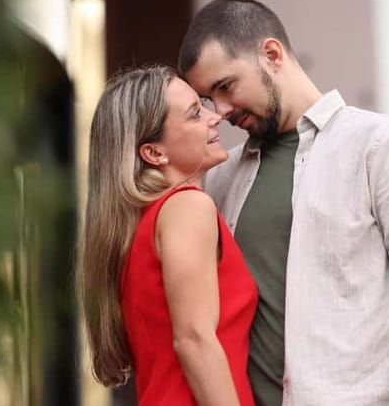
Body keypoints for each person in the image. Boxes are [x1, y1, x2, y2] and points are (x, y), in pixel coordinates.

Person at [178, 0, 389, 406]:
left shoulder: (381, 146)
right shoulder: (220, 179)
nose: (219, 111)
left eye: (225, 87)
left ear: (271, 55)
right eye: (208, 98)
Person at [77, 65, 258, 405]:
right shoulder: (188, 207)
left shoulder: (145, 222)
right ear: (154, 153)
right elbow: (193, 339)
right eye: (194, 114)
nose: (215, 117)